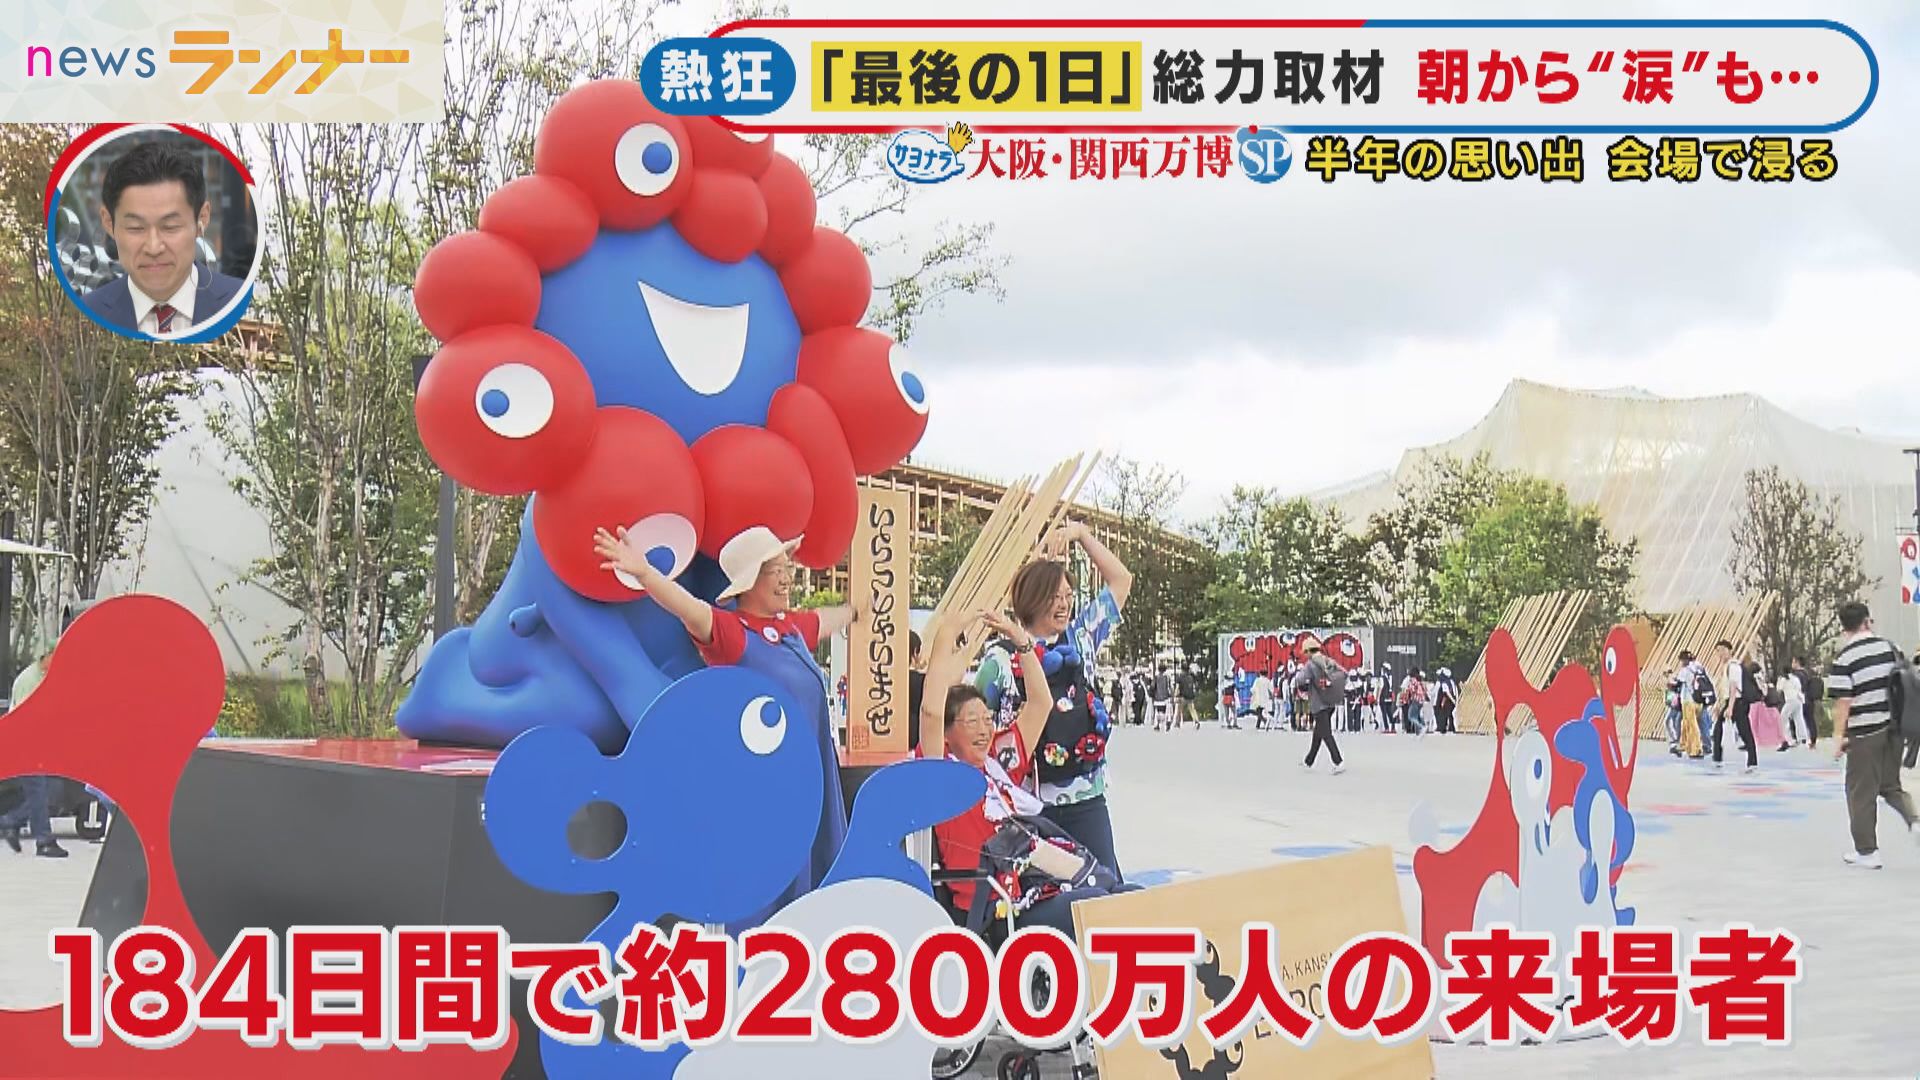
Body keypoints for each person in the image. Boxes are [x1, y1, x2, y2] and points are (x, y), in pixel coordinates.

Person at [593, 524, 855, 908]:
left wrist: (860, 608)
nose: (786, 579)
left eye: (787, 569)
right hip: (763, 788)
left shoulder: (791, 628)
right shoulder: (733, 633)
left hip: (811, 780)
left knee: (815, 880)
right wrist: (645, 573)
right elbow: (686, 607)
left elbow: (829, 619)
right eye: (775, 571)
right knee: (771, 885)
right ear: (749, 582)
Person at [921, 611, 1132, 935]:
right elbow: (931, 712)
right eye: (971, 721)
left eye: (987, 719)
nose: (984, 729)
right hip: (996, 908)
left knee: (1128, 895)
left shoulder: (998, 763)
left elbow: (1040, 704)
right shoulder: (941, 774)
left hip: (1035, 884)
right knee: (1097, 906)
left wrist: (1020, 640)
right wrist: (947, 633)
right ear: (947, 734)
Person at [973, 521, 1133, 881]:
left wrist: (1081, 534)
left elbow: (1121, 580)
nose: (1064, 605)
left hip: (1086, 796)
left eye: (1067, 596)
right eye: (1054, 597)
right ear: (1031, 599)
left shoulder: (1081, 638)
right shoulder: (999, 659)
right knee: (1043, 891)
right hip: (1027, 803)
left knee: (1106, 886)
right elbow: (975, 725)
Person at [82, 141, 247, 338]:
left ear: (202, 218)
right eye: (136, 228)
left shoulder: (241, 302)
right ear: (109, 223)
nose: (153, 248)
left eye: (170, 227)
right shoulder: (87, 314)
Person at [1826, 602, 1916, 870]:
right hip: (1895, 729)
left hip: (1865, 733)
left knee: (1860, 792)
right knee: (1891, 786)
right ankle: (1915, 821)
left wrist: (1839, 737)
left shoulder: (1845, 658)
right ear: (1867, 621)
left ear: (1844, 627)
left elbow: (1844, 702)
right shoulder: (1891, 648)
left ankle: (1867, 851)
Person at [1, 628, 71, 858]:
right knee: (39, 789)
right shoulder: (28, 680)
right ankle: (44, 840)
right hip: (23, 744)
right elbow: (23, 718)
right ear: (47, 655)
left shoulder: (49, 677)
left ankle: (11, 820)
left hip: (39, 745)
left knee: (52, 789)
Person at [1295, 642, 1348, 773]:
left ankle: (1338, 762)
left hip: (1319, 704)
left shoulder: (1311, 664)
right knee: (1318, 734)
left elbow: (1299, 679)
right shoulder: (1327, 660)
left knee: (1326, 734)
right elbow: (1344, 672)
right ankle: (1309, 761)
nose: (1305, 655)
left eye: (1305, 652)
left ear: (1309, 651)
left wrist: (1309, 682)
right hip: (1330, 702)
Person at [1433, 667, 1459, 735]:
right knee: (1449, 714)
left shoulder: (1444, 683)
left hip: (1447, 701)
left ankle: (1443, 728)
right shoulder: (1452, 682)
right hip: (1451, 701)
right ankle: (1451, 727)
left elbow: (1447, 693)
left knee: (1443, 715)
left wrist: (1453, 701)